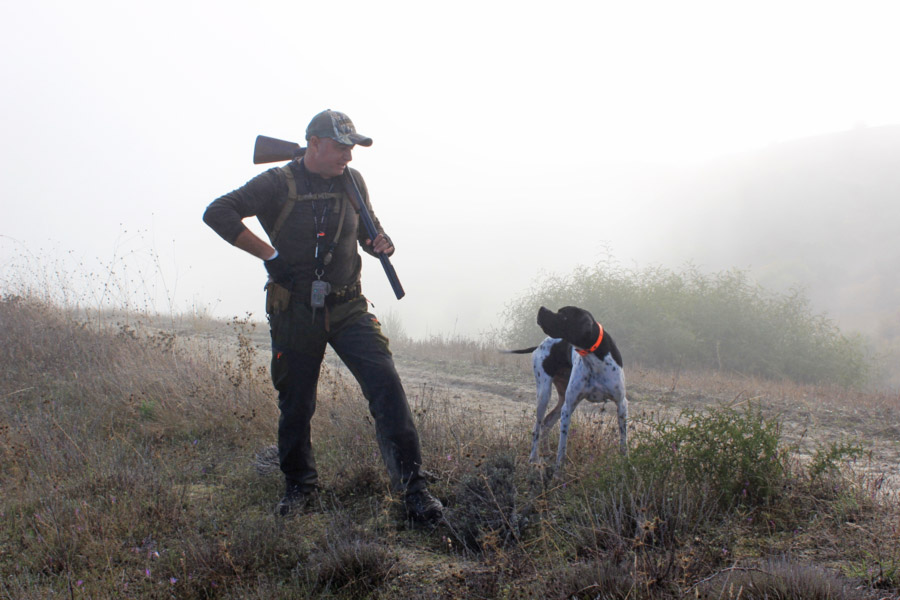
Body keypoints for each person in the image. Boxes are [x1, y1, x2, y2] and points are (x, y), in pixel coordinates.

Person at [202, 109, 443, 522]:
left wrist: (378, 242)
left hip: (349, 306)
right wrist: (269, 255)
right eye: (341, 146)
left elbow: (368, 230)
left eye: (352, 147)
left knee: (387, 388)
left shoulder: (353, 181)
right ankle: (299, 487)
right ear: (313, 143)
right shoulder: (277, 182)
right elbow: (218, 212)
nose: (348, 156)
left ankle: (413, 490)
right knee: (296, 403)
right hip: (295, 308)